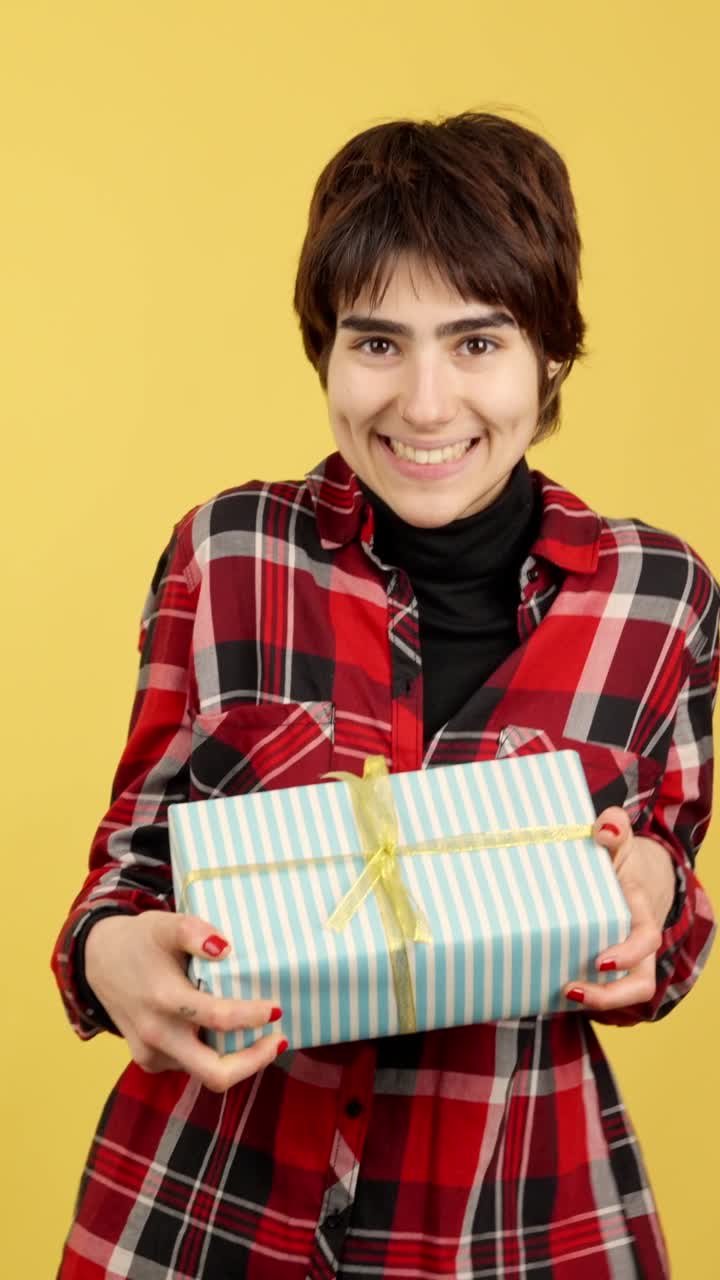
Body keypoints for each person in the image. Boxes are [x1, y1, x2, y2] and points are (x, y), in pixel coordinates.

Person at [52, 113, 718, 1279]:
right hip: (209, 1205)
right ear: (323, 349)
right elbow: (129, 865)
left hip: (514, 1214)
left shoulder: (660, 597)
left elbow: (664, 873)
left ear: (550, 353)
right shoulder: (227, 551)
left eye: (477, 343)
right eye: (376, 343)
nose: (421, 404)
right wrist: (113, 955)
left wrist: (651, 894)